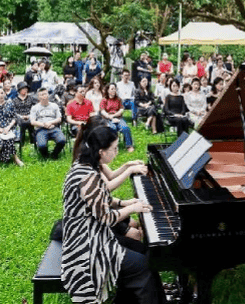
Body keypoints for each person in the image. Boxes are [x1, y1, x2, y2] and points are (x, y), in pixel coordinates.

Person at [61, 126, 166, 304]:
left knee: (142, 250)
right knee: (142, 266)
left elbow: (100, 199)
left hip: (90, 232)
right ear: (101, 152)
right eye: (115, 148)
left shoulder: (85, 164)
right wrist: (133, 208)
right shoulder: (88, 176)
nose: (117, 152)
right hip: (86, 243)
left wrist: (124, 203)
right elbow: (107, 218)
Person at [0, 86, 24, 168]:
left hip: (9, 127)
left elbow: (14, 117)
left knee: (9, 138)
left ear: (4, 94)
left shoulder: (10, 104)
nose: (0, 95)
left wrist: (8, 127)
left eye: (2, 93)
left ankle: (15, 158)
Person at [30, 87, 65, 159]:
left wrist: (50, 123)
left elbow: (59, 119)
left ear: (48, 95)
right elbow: (32, 121)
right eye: (41, 95)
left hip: (54, 128)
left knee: (62, 140)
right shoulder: (35, 108)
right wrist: (43, 124)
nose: (44, 96)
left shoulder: (54, 106)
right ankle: (46, 156)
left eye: (45, 94)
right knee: (42, 145)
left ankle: (54, 154)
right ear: (38, 97)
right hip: (41, 129)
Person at [100, 83, 135, 153]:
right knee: (112, 128)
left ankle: (129, 145)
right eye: (112, 89)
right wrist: (110, 117)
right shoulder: (104, 100)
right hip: (107, 118)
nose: (114, 90)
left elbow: (121, 109)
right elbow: (102, 111)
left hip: (118, 118)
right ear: (108, 90)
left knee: (125, 128)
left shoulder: (118, 99)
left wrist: (115, 115)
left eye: (115, 89)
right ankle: (113, 147)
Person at [11, 81, 38, 146]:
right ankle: (21, 140)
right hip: (19, 117)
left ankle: (33, 140)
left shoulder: (31, 98)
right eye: (23, 89)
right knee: (22, 122)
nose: (25, 90)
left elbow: (37, 107)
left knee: (30, 122)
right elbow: (13, 111)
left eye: (26, 89)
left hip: (30, 116)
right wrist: (21, 116)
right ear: (19, 90)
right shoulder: (15, 100)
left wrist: (30, 115)